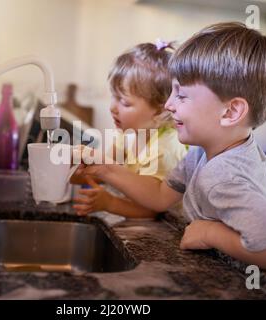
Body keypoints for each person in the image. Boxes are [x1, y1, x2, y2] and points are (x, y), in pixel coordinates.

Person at [76, 22, 266, 275]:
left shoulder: (223, 176)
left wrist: (211, 233)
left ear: (230, 112)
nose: (169, 104)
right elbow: (161, 195)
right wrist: (105, 169)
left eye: (181, 95)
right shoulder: (203, 152)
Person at [71, 42, 187, 219]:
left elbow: (152, 209)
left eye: (124, 102)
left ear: (160, 109)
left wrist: (109, 203)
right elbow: (108, 170)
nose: (112, 107)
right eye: (113, 96)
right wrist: (76, 172)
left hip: (168, 227)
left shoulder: (165, 148)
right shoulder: (128, 133)